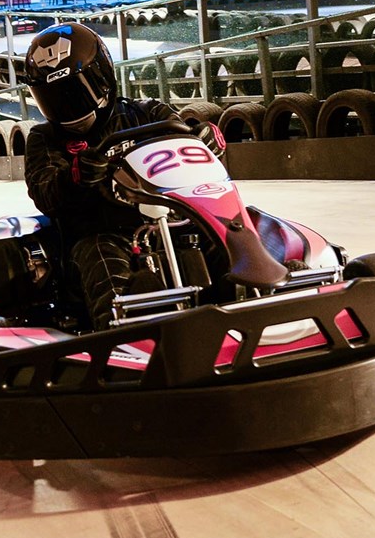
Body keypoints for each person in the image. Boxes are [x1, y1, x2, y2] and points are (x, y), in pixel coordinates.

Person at [22, 22, 225, 331]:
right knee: (102, 258)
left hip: (171, 223)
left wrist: (205, 138)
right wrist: (75, 176)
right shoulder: (44, 138)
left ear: (102, 77)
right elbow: (44, 191)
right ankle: (126, 339)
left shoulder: (149, 114)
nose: (68, 107)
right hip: (99, 235)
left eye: (76, 92)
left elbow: (187, 144)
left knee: (225, 228)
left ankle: (261, 291)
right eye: (55, 98)